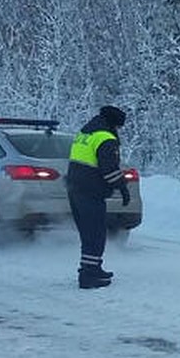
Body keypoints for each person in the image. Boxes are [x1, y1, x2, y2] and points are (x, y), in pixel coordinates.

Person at [67, 105, 130, 289]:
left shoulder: (85, 133)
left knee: (88, 233)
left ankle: (92, 268)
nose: (119, 131)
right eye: (119, 127)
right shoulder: (106, 138)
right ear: (114, 124)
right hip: (91, 192)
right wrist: (122, 188)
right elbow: (109, 171)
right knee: (95, 233)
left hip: (75, 189)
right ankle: (89, 276)